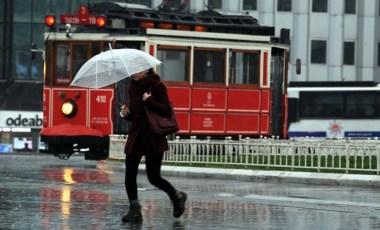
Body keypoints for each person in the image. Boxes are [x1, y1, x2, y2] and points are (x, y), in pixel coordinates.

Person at [120, 68, 187, 222]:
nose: (133, 73)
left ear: (146, 70)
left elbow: (166, 111)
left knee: (154, 177)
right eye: (132, 70)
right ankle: (135, 210)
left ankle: (177, 197)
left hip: (153, 136)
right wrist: (127, 114)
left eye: (137, 70)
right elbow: (136, 114)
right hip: (137, 135)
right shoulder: (132, 87)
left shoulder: (157, 86)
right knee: (130, 173)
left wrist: (149, 101)